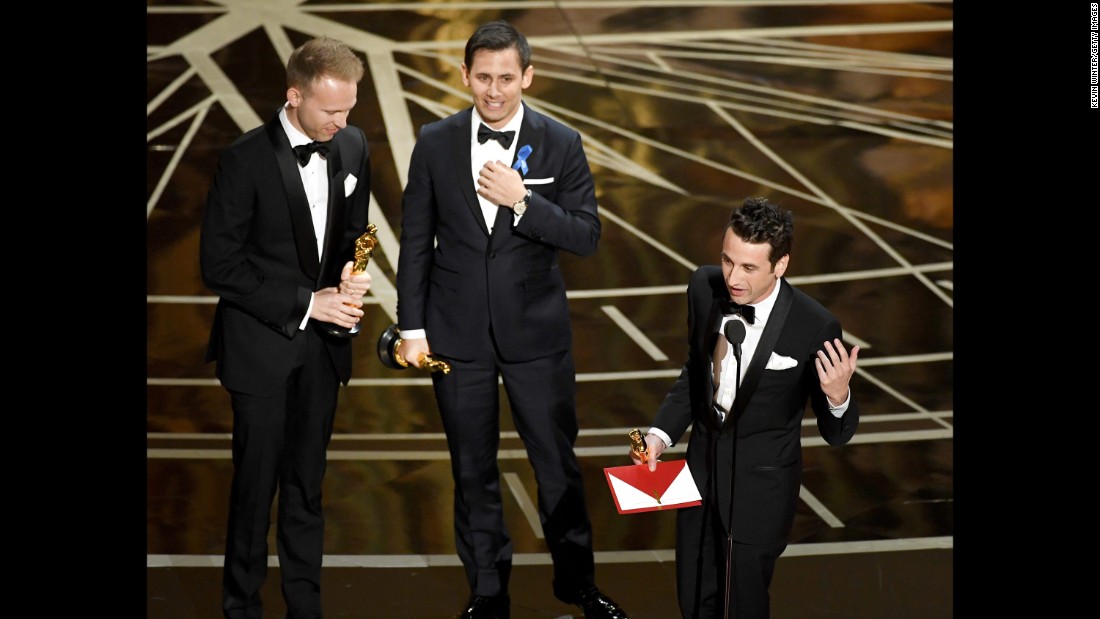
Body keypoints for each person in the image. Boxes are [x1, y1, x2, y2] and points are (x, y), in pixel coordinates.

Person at [393, 19, 629, 619]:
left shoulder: (561, 142)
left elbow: (587, 236)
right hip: (456, 334)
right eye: (482, 77)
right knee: (472, 471)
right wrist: (412, 327)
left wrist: (523, 202)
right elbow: (416, 241)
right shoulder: (436, 141)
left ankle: (578, 584)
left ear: (527, 76)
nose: (493, 90)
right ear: (466, 76)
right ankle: (488, 592)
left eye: (505, 77)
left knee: (557, 468)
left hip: (537, 337)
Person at [199, 36, 373, 619]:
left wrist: (353, 273)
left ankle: (306, 608)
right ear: (294, 96)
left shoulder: (351, 145)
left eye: (349, 110)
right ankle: (241, 608)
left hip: (321, 356)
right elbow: (219, 264)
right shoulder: (243, 159)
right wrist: (308, 303)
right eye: (330, 111)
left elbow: (355, 231)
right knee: (254, 494)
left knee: (307, 490)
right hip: (261, 352)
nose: (342, 122)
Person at [631, 197, 860, 619]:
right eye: (728, 261)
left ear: (781, 265)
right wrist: (660, 435)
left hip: (761, 491)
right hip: (698, 477)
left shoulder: (814, 324)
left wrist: (837, 396)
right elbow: (694, 374)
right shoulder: (704, 287)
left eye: (749, 268)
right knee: (694, 598)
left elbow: (837, 433)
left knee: (743, 606)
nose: (734, 278)